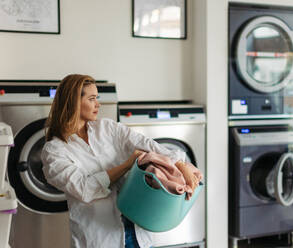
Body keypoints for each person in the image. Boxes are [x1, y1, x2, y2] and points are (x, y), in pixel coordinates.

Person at [41, 74, 199, 248]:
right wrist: (126, 166)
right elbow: (84, 189)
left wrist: (182, 166)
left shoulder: (107, 128)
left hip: (138, 230)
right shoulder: (54, 151)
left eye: (97, 98)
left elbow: (147, 145)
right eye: (92, 99)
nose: (98, 104)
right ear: (73, 102)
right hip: (99, 238)